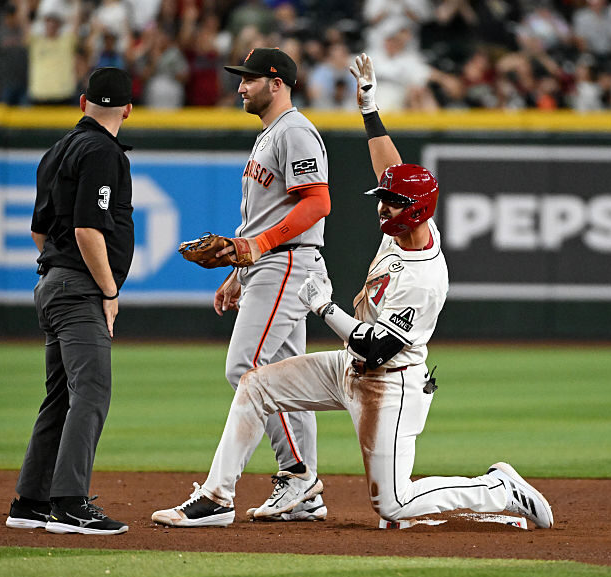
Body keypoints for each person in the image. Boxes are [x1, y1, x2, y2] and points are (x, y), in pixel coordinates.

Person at [150, 53, 554, 531]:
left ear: (415, 213)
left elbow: (376, 347)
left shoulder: (423, 278)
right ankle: (218, 497)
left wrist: (323, 305)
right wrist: (370, 109)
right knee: (255, 384)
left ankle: (497, 488)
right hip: (347, 366)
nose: (382, 209)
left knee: (394, 507)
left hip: (390, 381)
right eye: (383, 202)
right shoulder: (403, 226)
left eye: (390, 205)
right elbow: (392, 171)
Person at [201, 47, 332, 522]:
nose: (240, 86)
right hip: (268, 265)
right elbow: (264, 216)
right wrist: (239, 271)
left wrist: (258, 249)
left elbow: (318, 203)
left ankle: (298, 474)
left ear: (277, 83)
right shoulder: (270, 134)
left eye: (250, 79)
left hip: (287, 264)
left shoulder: (295, 130)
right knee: (285, 376)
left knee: (246, 370)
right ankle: (305, 492)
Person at [5, 67, 136, 536]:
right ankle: (69, 503)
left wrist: (60, 273)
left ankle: (31, 502)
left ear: (82, 102)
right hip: (79, 290)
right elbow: (87, 229)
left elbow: (40, 230)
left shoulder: (56, 150)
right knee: (92, 391)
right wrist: (108, 290)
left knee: (60, 396)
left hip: (54, 285)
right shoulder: (103, 151)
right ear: (128, 108)